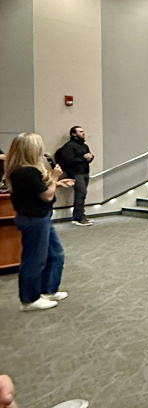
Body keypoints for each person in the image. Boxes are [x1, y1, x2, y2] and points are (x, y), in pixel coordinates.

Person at [4, 133, 75, 311]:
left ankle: (49, 290)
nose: (42, 150)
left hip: (39, 217)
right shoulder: (27, 171)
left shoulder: (24, 170)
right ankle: (30, 299)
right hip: (34, 219)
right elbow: (46, 195)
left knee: (55, 253)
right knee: (35, 259)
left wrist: (56, 183)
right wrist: (55, 177)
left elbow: (38, 189)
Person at [54, 126, 94, 226]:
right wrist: (83, 158)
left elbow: (87, 158)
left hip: (85, 172)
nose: (83, 133)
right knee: (81, 193)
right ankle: (78, 217)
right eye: (80, 131)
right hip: (75, 172)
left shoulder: (84, 146)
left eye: (83, 131)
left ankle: (80, 215)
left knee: (82, 194)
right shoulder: (69, 146)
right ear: (73, 134)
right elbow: (69, 161)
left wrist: (90, 157)